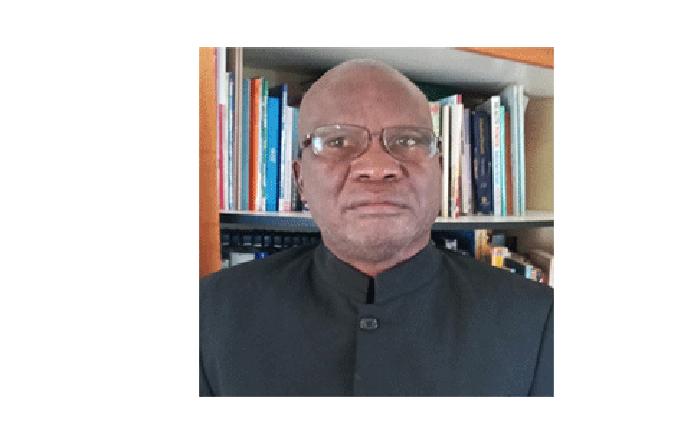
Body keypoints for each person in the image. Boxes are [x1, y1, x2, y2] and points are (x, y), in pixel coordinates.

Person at [200, 59, 553, 396]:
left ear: (440, 170)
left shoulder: (539, 321)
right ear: (300, 179)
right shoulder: (209, 313)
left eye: (408, 141)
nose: (377, 167)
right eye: (337, 141)